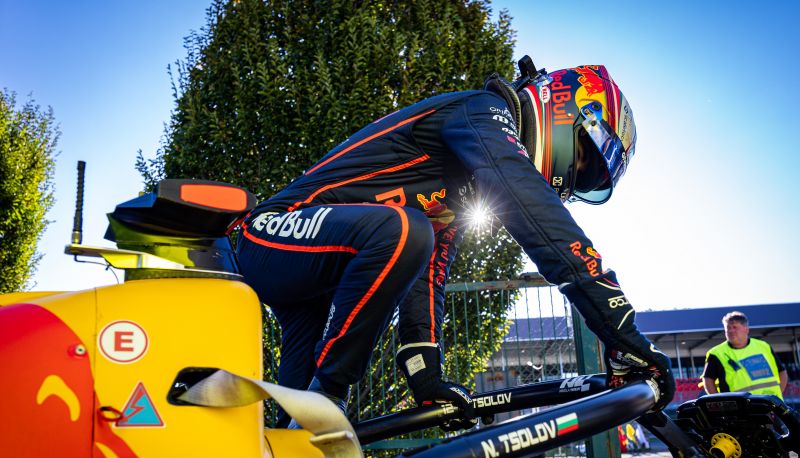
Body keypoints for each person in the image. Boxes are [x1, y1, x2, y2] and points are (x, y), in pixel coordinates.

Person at [236, 56, 675, 427]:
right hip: (271, 233)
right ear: (563, 107)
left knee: (292, 442)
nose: (572, 176)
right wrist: (619, 328)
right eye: (580, 158)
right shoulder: (482, 110)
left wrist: (426, 378)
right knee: (405, 231)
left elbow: (426, 277)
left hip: (317, 279)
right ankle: (330, 397)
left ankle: (296, 441)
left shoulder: (459, 189)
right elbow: (530, 206)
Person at [702, 311, 787, 398]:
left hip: (771, 405)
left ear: (746, 329)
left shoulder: (764, 346)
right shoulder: (716, 353)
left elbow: (782, 372)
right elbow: (708, 380)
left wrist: (777, 397)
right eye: (728, 328)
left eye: (735, 327)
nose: (731, 331)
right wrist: (719, 401)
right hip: (738, 406)